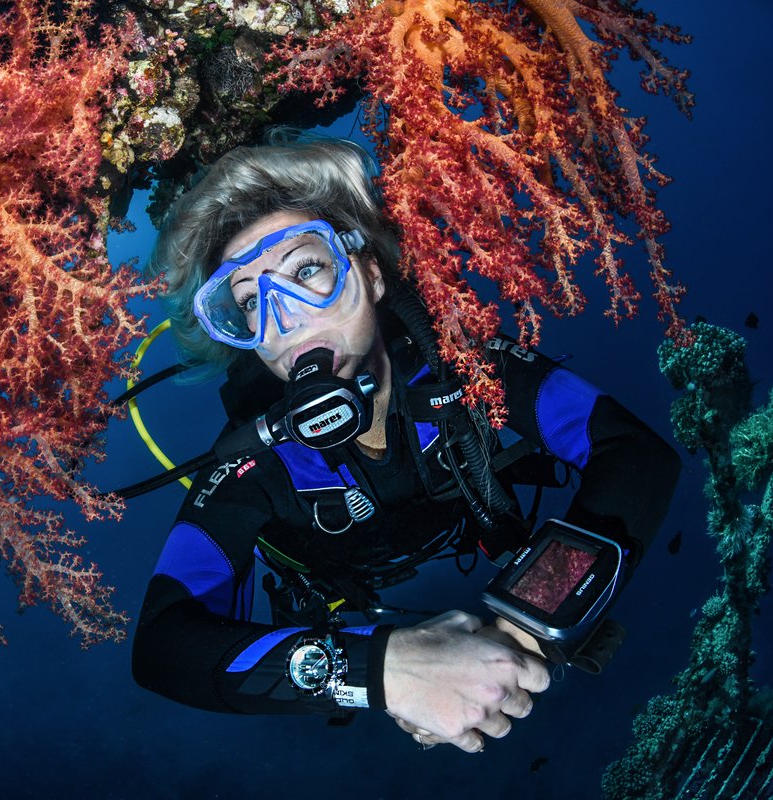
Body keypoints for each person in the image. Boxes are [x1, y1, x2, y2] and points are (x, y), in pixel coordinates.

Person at [131, 134, 680, 752]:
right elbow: (162, 646)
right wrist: (385, 671)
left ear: (370, 274)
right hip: (344, 588)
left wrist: (526, 627)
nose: (285, 319)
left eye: (306, 270)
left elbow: (633, 453)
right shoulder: (252, 459)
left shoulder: (460, 366)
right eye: (251, 302)